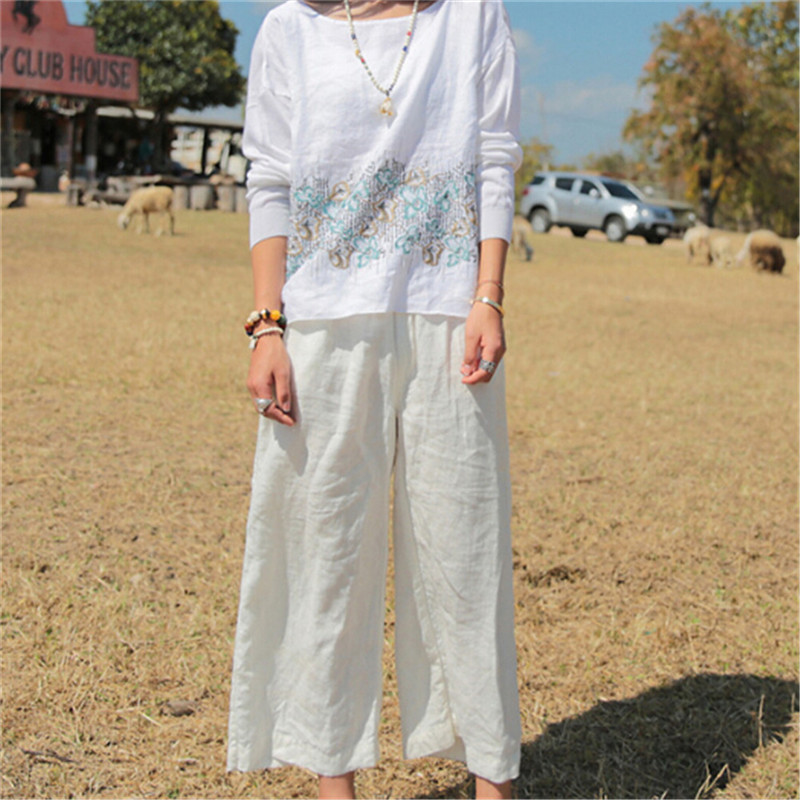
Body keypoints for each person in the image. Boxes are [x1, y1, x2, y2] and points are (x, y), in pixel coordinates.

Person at [226, 1, 523, 798]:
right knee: (325, 561)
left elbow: (494, 159)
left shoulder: (473, 16)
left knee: (466, 560)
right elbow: (271, 180)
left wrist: (488, 296)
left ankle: (493, 781)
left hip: (448, 318)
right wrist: (267, 328)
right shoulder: (290, 29)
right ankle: (335, 787)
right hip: (322, 327)